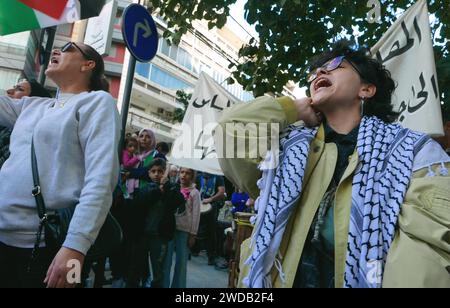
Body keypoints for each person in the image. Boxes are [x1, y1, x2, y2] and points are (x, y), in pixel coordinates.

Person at [214, 41, 450, 288]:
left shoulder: (414, 153)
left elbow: (426, 254)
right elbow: (231, 131)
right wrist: (291, 109)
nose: (320, 73)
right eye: (315, 73)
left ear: (366, 89)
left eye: (336, 65)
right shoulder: (285, 150)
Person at [0, 41, 120, 288]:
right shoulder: (32, 105)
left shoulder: (97, 102)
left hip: (51, 246)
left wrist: (76, 246)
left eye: (67, 47)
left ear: (88, 64)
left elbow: (101, 178)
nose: (56, 50)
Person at [139, 159, 185, 288]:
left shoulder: (171, 188)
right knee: (142, 267)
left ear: (165, 173)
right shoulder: (145, 188)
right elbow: (143, 201)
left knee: (157, 269)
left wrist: (168, 186)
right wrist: (159, 190)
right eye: (153, 171)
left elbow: (179, 201)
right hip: (143, 234)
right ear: (148, 173)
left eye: (160, 171)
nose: (156, 174)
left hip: (159, 236)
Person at [0, 79, 52, 169]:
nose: (9, 91)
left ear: (33, 102)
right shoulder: (4, 127)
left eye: (19, 89)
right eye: (14, 87)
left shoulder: (26, 141)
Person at [163, 167, 201, 288]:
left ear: (192, 176)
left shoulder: (195, 193)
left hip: (184, 231)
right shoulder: (174, 188)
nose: (184, 175)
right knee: (166, 261)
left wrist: (193, 234)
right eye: (182, 172)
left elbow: (196, 215)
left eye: (188, 173)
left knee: (181, 263)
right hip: (170, 228)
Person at [193, 172, 226, 265]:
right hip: (199, 205)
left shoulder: (218, 177)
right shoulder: (199, 176)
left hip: (211, 207)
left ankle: (211, 256)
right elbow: (194, 188)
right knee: (196, 228)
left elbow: (221, 192)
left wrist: (211, 199)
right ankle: (194, 249)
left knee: (211, 232)